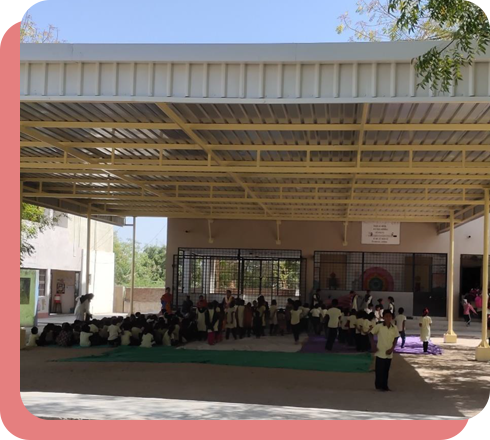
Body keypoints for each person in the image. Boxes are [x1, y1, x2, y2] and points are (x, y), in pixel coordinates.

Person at [370, 310, 399, 391]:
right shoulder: (379, 326)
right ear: (383, 317)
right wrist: (373, 345)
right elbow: (371, 334)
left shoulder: (394, 327)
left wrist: (392, 348)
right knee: (379, 370)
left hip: (389, 352)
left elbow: (396, 338)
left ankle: (385, 386)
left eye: (390, 316)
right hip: (380, 351)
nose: (388, 318)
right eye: (386, 316)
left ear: (392, 317)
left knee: (386, 370)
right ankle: (378, 385)